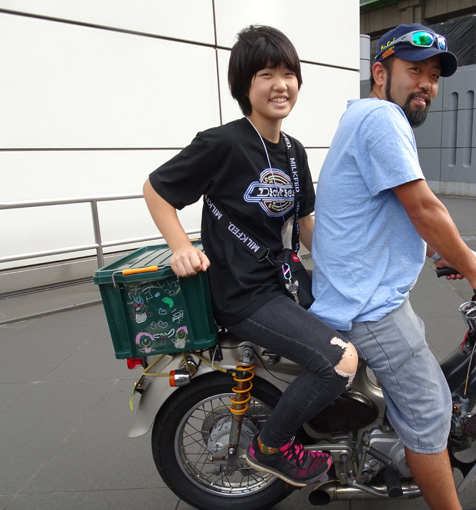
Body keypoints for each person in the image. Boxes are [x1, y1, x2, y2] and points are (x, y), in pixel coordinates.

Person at [309, 23, 476, 510]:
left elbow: (389, 209)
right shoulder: (383, 119)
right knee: (430, 410)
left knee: (418, 379)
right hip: (368, 306)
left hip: (364, 292)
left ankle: (394, 451)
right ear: (380, 73)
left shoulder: (364, 117)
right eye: (414, 70)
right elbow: (423, 207)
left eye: (433, 75)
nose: (425, 83)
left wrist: (439, 251)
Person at [142, 25, 357, 488]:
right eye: (266, 74)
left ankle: (340, 423)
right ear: (244, 86)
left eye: (288, 73)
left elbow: (306, 225)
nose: (281, 84)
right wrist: (180, 247)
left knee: (364, 321)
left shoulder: (294, 153)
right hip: (243, 293)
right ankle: (272, 446)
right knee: (340, 362)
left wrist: (348, 271)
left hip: (282, 281)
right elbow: (157, 190)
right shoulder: (222, 142)